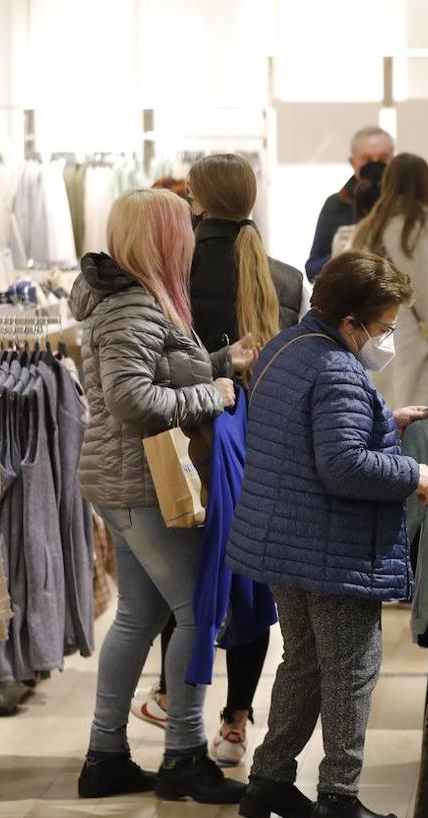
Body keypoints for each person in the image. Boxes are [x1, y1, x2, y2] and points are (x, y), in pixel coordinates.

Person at [227, 249, 428, 818]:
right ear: (351, 323)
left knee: (307, 663)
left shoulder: (284, 348)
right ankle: (338, 796)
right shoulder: (339, 368)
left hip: (282, 539)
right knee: (352, 668)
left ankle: (267, 779)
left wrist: (383, 423)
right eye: (384, 327)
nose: (386, 338)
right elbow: (342, 465)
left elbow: (303, 435)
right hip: (331, 547)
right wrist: (411, 474)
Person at [72, 188, 256, 804]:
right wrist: (217, 391)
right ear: (160, 238)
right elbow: (132, 402)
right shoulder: (132, 307)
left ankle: (106, 756)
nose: (191, 239)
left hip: (126, 484)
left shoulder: (131, 302)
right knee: (199, 612)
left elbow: (157, 371)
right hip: (142, 487)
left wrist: (220, 359)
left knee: (138, 616)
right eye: (183, 228)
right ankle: (182, 755)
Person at [128, 153, 304, 767]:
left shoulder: (171, 270)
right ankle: (235, 724)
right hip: (261, 444)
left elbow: (156, 366)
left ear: (195, 200)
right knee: (252, 581)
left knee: (191, 578)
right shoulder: (282, 276)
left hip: (188, 441)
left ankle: (175, 705)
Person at [353, 153, 428, 409]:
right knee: (419, 437)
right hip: (421, 355)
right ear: (426, 185)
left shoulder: (364, 233)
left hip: (369, 353)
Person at [187, 153, 306, 354]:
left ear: (198, 205)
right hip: (268, 385)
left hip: (197, 385)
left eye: (189, 195)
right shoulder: (291, 279)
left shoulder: (175, 273)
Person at [305, 125, 395, 281]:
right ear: (353, 163)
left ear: (393, 161)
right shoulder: (336, 204)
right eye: (366, 160)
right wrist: (339, 256)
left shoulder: (407, 205)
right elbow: (313, 269)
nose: (375, 166)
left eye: (382, 159)